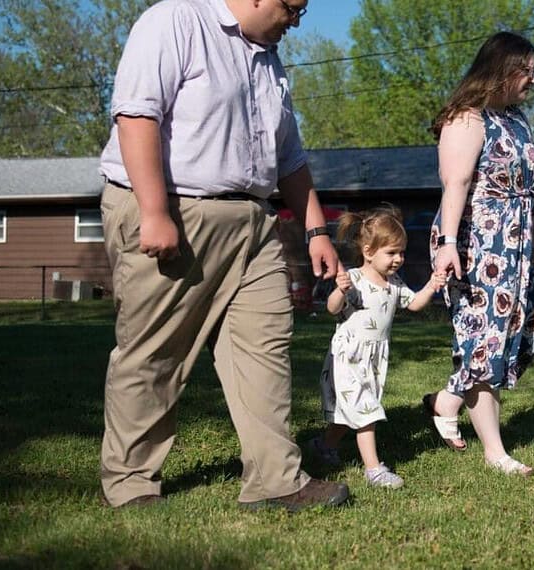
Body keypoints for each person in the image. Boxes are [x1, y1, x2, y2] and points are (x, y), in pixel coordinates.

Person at [96, 0, 350, 511]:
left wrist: (317, 230)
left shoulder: (268, 59)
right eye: (291, 8)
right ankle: (130, 485)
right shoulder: (176, 20)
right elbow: (136, 114)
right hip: (175, 210)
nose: (296, 20)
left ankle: (276, 480)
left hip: (253, 221)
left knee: (266, 348)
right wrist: (154, 211)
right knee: (155, 351)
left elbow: (289, 158)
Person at [426, 31, 534, 476]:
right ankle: (495, 453)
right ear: (500, 70)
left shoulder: (517, 119)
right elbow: (455, 186)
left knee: (513, 335)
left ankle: (444, 403)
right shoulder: (466, 118)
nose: (533, 80)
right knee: (484, 341)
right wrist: (446, 246)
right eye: (526, 71)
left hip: (518, 242)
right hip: (477, 243)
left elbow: (532, 184)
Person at [311, 207, 446, 488]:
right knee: (366, 410)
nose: (398, 259)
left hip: (374, 358)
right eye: (392, 253)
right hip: (349, 356)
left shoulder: (394, 283)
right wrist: (339, 291)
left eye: (401, 253)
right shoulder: (355, 280)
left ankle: (324, 446)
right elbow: (332, 309)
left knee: (349, 413)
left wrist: (432, 285)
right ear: (369, 251)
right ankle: (374, 469)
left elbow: (414, 304)